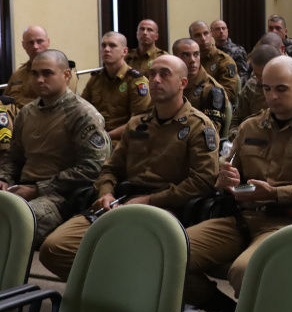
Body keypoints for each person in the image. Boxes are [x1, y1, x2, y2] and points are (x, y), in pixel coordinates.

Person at [184, 56, 292, 312]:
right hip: (241, 218)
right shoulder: (251, 126)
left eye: (281, 88)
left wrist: (276, 194)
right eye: (266, 88)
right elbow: (227, 174)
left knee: (245, 270)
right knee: (170, 253)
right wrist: (225, 181)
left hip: (287, 223)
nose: (272, 96)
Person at [39, 55, 219, 279]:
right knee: (54, 248)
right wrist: (106, 193)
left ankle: (129, 294)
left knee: (132, 251)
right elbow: (110, 169)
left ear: (183, 83)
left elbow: (203, 181)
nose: (155, 80)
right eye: (152, 74)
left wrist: (149, 200)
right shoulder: (137, 124)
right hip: (121, 202)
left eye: (164, 74)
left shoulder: (198, 126)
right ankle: (118, 286)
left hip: (167, 207)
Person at [0, 50, 110, 246]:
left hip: (58, 197)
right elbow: (13, 157)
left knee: (10, 223)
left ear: (66, 75)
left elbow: (93, 168)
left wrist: (38, 189)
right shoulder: (27, 113)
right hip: (22, 187)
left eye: (47, 73)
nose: (40, 79)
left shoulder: (82, 114)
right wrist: (4, 178)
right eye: (35, 74)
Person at [230, 45, 292, 140]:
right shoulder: (251, 86)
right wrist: (241, 136)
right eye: (258, 75)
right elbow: (236, 121)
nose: (263, 79)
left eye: (281, 89)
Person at [80, 32, 152, 141]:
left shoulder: (136, 81)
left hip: (122, 141)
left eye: (112, 46)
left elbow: (139, 121)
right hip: (95, 138)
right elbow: (82, 111)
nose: (107, 49)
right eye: (103, 45)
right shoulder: (95, 79)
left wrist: (105, 137)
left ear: (125, 51)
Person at [4, 25, 78, 106]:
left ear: (48, 42)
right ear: (23, 45)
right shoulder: (17, 75)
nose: (35, 46)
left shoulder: (63, 72)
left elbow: (59, 104)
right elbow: (4, 102)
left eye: (39, 41)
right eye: (30, 42)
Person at [172, 38, 228, 133]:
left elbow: (211, 130)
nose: (192, 60)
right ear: (175, 57)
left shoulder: (212, 89)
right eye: (186, 55)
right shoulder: (169, 83)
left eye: (196, 54)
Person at [189, 21, 238, 104]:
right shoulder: (189, 61)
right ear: (191, 39)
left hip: (213, 107)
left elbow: (228, 93)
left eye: (206, 34)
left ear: (211, 35)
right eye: (198, 35)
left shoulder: (224, 60)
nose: (203, 39)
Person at [211, 19, 252, 86]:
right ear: (211, 34)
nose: (221, 31)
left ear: (227, 31)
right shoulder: (211, 51)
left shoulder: (238, 51)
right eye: (217, 29)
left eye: (223, 28)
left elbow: (244, 75)